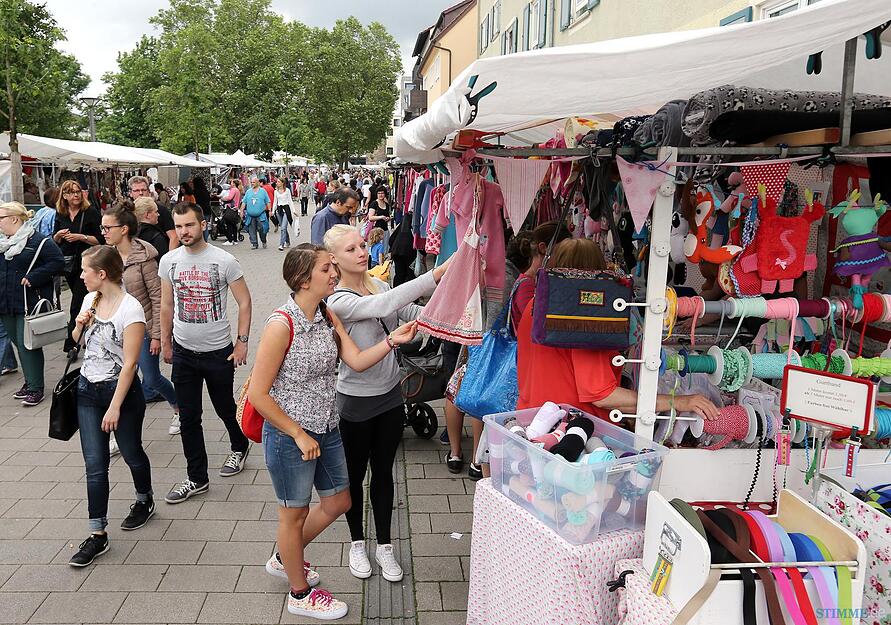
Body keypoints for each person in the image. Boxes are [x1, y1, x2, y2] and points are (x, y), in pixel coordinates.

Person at [248, 244, 418, 619]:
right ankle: (299, 593)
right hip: (290, 436)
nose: (334, 274)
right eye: (326, 269)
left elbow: (355, 360)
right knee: (293, 514)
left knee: (339, 501)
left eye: (332, 267)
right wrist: (297, 433)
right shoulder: (281, 325)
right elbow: (259, 394)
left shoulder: (327, 314)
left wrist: (392, 340)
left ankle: (286, 556)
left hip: (327, 427)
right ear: (302, 279)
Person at [323, 226, 450, 582]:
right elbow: (382, 307)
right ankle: (356, 542)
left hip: (391, 397)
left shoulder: (378, 285)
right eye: (351, 249)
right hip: (354, 402)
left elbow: (409, 309)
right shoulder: (337, 300)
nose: (361, 252)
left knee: (383, 473)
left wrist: (449, 312)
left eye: (362, 245)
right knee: (353, 476)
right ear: (334, 259)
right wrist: (435, 273)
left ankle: (384, 545)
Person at [516, 238, 720, 421]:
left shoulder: (534, 307)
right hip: (571, 431)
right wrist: (680, 401)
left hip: (532, 420)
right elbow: (602, 395)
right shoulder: (586, 318)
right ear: (597, 272)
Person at [160, 202, 253, 504]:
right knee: (189, 417)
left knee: (225, 407)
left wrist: (242, 342)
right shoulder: (169, 261)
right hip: (184, 352)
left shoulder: (224, 260)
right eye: (179, 226)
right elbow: (166, 305)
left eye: (189, 225)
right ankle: (197, 478)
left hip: (218, 353)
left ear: (203, 225)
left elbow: (245, 302)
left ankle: (239, 445)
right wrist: (165, 342)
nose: (184, 231)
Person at [68, 245, 153, 567]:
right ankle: (97, 533)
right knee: (95, 464)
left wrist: (115, 407)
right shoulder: (90, 300)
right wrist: (80, 325)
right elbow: (76, 342)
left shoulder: (131, 309)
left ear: (101, 274)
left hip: (122, 394)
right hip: (87, 391)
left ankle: (144, 499)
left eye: (85, 270)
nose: (80, 275)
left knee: (131, 452)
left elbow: (130, 364)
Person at [102, 202, 180, 436]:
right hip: (116, 328)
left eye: (107, 228)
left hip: (143, 329)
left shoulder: (144, 257)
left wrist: (157, 335)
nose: (103, 232)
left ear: (123, 229)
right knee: (118, 379)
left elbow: (158, 297)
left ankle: (179, 408)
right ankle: (118, 431)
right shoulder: (106, 256)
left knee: (152, 379)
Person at [0, 201, 64, 406]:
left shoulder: (39, 240)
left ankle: (36, 387)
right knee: (18, 343)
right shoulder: (3, 242)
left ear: (14, 219)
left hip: (28, 302)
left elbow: (57, 262)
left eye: (1, 218)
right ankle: (29, 382)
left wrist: (34, 277)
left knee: (27, 344)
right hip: (6, 302)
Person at [53, 179, 104, 353]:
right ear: (64, 196)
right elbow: (54, 239)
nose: (76, 195)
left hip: (87, 264)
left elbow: (101, 239)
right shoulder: (61, 213)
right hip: (68, 264)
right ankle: (90, 331)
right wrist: (59, 235)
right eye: (71, 192)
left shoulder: (90, 212)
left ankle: (71, 344)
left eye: (78, 191)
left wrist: (81, 237)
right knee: (83, 301)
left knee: (76, 304)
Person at [129, 175, 177, 253]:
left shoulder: (161, 210)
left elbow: (173, 237)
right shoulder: (128, 211)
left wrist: (169, 257)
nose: (141, 193)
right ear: (130, 193)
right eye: (136, 190)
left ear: (148, 191)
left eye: (143, 190)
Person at [241, 176, 271, 250]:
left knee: (262, 229)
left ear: (258, 183)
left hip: (261, 215)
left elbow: (268, 201)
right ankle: (254, 243)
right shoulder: (248, 192)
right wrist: (241, 211)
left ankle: (263, 241)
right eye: (251, 182)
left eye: (253, 182)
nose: (252, 184)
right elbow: (244, 202)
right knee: (251, 230)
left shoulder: (263, 191)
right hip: (250, 215)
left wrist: (270, 210)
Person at [273, 178, 296, 251]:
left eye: (278, 182)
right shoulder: (275, 191)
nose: (277, 183)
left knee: (283, 227)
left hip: (286, 210)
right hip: (279, 210)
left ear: (283, 183)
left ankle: (281, 244)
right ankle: (287, 241)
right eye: (277, 182)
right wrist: (273, 211)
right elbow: (275, 202)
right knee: (283, 228)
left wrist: (293, 211)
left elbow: (290, 201)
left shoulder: (287, 190)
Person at [218, 181, 242, 246]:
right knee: (234, 225)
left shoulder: (233, 190)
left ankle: (230, 240)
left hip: (230, 208)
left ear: (234, 184)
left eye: (231, 183)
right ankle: (235, 240)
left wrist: (222, 198)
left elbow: (229, 198)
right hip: (235, 209)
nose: (230, 184)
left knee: (229, 225)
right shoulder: (237, 190)